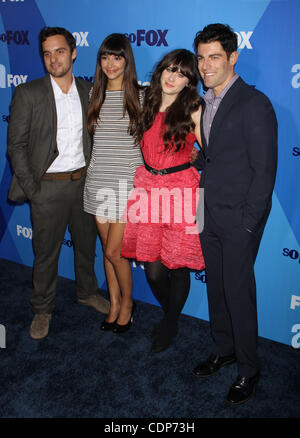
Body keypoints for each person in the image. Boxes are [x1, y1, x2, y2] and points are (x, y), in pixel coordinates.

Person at [192, 23, 277, 405]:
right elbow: (214, 156)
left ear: (232, 57)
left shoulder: (254, 103)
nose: (205, 65)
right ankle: (223, 349)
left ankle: (248, 368)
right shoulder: (206, 101)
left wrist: (248, 224)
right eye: (200, 57)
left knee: (238, 292)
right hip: (207, 211)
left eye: (214, 57)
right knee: (216, 287)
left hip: (239, 218)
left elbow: (264, 172)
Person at [7, 26, 109, 340]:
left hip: (83, 184)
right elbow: (16, 146)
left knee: (86, 246)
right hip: (47, 188)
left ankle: (87, 292)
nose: (54, 59)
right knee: (45, 254)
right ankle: (42, 309)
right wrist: (34, 189)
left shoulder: (87, 91)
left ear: (74, 52)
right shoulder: (29, 92)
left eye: (60, 51)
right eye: (47, 53)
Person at [121, 49, 205, 353]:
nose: (173, 77)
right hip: (148, 188)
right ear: (160, 71)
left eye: (181, 72)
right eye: (169, 69)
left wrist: (194, 160)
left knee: (178, 264)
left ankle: (169, 323)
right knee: (154, 268)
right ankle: (173, 314)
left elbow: (213, 151)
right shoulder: (147, 102)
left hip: (181, 190)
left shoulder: (194, 107)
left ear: (189, 80)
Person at [84, 33, 144, 333]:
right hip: (98, 183)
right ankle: (115, 303)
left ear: (126, 60)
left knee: (114, 252)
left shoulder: (141, 96)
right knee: (107, 248)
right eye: (105, 57)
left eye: (117, 57)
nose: (110, 63)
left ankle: (129, 305)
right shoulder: (94, 93)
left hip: (127, 188)